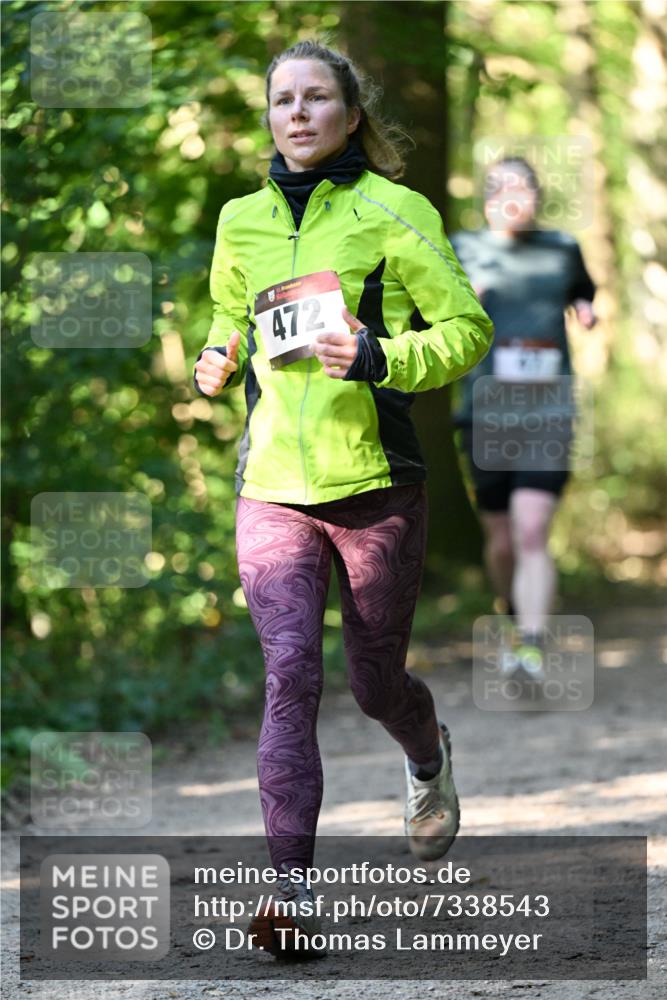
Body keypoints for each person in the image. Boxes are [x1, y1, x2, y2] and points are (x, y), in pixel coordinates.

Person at [193, 40, 493, 955]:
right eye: (282, 99)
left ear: (350, 113)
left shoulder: (396, 211)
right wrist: (218, 354)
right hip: (274, 486)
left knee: (372, 683)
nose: (296, 113)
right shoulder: (239, 218)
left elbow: (466, 329)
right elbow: (229, 313)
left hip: (377, 487)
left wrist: (381, 359)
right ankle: (291, 897)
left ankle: (425, 751)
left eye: (316, 97)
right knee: (291, 675)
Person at [450, 157, 596, 680]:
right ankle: (512, 618)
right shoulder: (462, 248)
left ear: (537, 196)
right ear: (488, 201)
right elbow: (430, 314)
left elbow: (583, 286)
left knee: (532, 529)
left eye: (524, 188)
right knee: (504, 538)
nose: (515, 198)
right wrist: (466, 299)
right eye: (504, 190)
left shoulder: (561, 248)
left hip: (548, 409)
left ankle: (531, 646)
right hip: (485, 411)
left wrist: (584, 306)